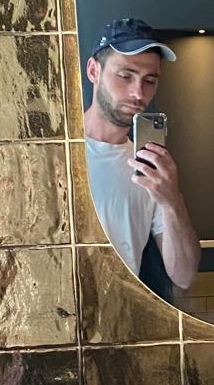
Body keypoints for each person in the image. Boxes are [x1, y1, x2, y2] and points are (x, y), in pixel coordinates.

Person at [83, 18, 201, 292]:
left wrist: (171, 202)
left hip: (121, 314)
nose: (138, 93)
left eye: (149, 80)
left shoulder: (149, 169)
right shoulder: (53, 153)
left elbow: (184, 276)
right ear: (93, 71)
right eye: (125, 75)